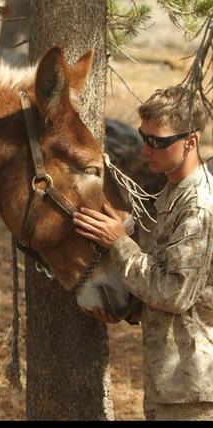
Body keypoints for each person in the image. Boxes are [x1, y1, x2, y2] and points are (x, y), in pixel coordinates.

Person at [72, 85, 213, 421]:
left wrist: (119, 243)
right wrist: (128, 306)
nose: (146, 150)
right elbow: (179, 287)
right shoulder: (172, 194)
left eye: (158, 142)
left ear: (190, 142)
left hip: (193, 390)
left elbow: (175, 293)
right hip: (172, 384)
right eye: (143, 137)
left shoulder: (198, 206)